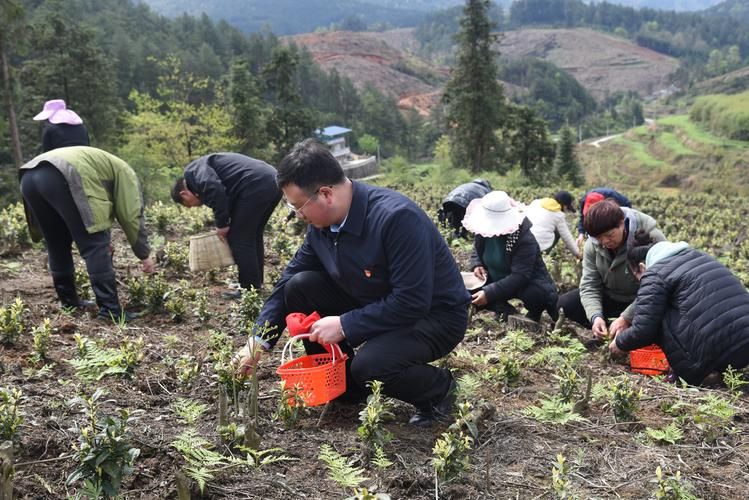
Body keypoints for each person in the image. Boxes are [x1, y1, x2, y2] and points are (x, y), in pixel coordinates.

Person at [234, 139, 470, 426]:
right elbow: (286, 283)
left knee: (371, 365)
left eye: (299, 207)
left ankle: (438, 390)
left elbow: (412, 301)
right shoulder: (322, 227)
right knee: (299, 287)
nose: (298, 215)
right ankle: (346, 389)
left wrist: (345, 324)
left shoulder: (396, 218)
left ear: (325, 194)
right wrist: (258, 341)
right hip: (375, 299)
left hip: (434, 316)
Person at [19, 146, 154, 321]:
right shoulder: (125, 172)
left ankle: (69, 303)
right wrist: (144, 254)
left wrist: (102, 233)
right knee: (95, 247)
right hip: (64, 174)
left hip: (29, 175)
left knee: (57, 244)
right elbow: (130, 215)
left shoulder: (104, 164)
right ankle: (110, 311)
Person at [610, 232, 749, 386]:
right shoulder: (699, 257)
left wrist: (620, 343)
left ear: (642, 267)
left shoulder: (654, 273)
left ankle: (698, 373)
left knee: (659, 316)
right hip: (744, 339)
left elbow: (643, 330)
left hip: (721, 352)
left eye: (637, 278)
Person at [171, 153, 281, 297]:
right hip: (273, 180)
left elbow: (215, 189)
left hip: (256, 183)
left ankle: (248, 289)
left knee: (239, 238)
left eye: (188, 205)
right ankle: (254, 284)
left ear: (184, 194)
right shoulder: (198, 172)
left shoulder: (192, 172)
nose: (193, 207)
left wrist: (222, 224)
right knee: (251, 235)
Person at [557, 199, 665, 338]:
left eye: (609, 235)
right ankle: (608, 330)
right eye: (599, 238)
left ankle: (629, 332)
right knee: (565, 304)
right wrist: (595, 316)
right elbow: (590, 284)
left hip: (643, 300)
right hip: (611, 296)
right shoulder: (593, 243)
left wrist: (626, 317)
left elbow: (658, 287)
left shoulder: (651, 237)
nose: (605, 241)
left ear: (621, 223)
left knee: (662, 321)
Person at [464, 191, 559, 322]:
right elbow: (477, 249)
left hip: (522, 283)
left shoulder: (523, 238)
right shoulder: (483, 230)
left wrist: (489, 293)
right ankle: (503, 309)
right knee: (466, 288)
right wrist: (477, 264)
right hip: (494, 279)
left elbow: (520, 276)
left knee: (535, 294)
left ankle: (534, 314)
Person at [524, 190, 581, 259]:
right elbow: (567, 237)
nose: (566, 210)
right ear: (564, 206)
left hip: (524, 242)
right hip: (539, 247)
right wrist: (578, 254)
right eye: (567, 208)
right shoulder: (558, 215)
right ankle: (543, 256)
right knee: (558, 232)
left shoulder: (536, 202)